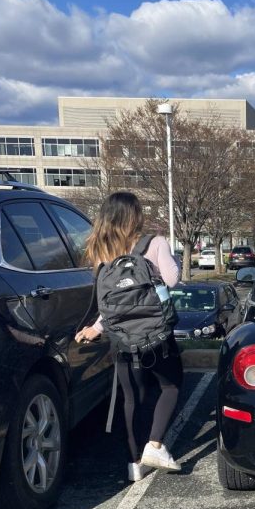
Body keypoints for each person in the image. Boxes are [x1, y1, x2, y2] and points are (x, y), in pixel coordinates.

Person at [75, 191, 183, 482]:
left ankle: (134, 464)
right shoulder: (154, 242)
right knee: (170, 386)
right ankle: (156, 445)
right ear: (135, 215)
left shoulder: (101, 252)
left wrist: (96, 329)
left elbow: (110, 302)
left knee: (131, 398)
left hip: (121, 339)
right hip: (157, 336)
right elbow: (172, 279)